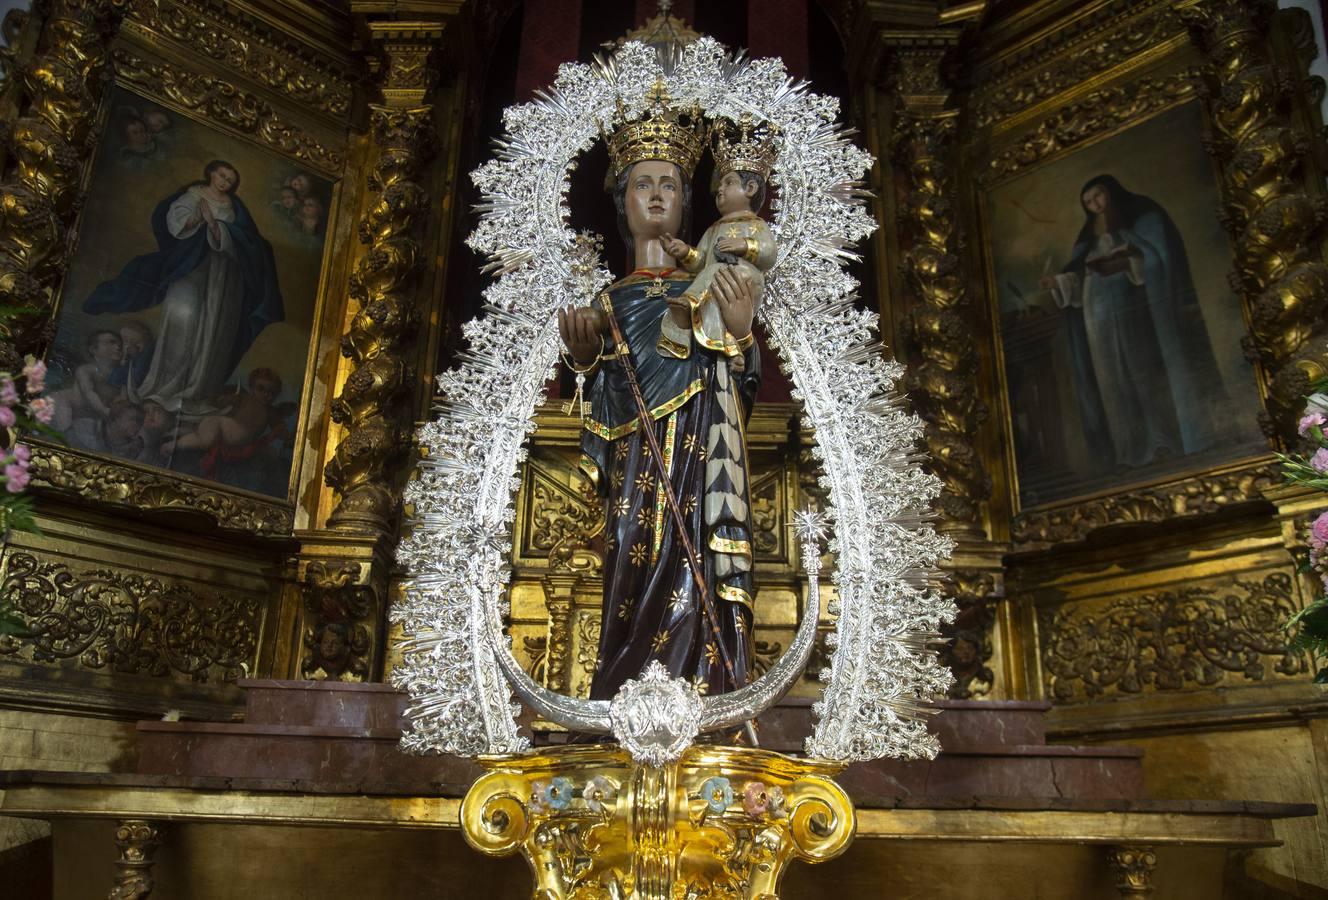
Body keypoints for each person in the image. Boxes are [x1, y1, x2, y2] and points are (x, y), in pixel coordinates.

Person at [558, 85, 762, 703]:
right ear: (622, 201)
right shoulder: (610, 299)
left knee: (697, 553)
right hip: (635, 465)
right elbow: (601, 397)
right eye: (642, 182)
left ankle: (709, 688)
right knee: (633, 565)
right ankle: (626, 693)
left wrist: (741, 330)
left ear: (686, 203)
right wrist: (589, 358)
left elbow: (741, 383)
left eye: (669, 184)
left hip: (701, 456)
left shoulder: (709, 285)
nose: (655, 194)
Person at [1041, 175, 1227, 468]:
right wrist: (1060, 281)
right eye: (1088, 203)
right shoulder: (1088, 235)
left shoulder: (1140, 214)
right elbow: (1078, 275)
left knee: (1145, 372)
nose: (1095, 206)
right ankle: (1133, 449)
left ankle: (1164, 441)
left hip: (1139, 315)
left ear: (1111, 192)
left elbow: (1158, 256)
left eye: (1098, 197)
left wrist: (1132, 260)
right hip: (1099, 317)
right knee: (1114, 379)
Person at [83, 160, 284, 416]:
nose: (224, 183)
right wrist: (198, 220)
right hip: (189, 268)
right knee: (183, 324)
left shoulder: (234, 207)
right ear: (211, 173)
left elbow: (250, 243)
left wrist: (216, 226)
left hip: (222, 276)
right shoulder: (193, 195)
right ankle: (163, 388)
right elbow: (174, 225)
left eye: (230, 181)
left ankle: (199, 391)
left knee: (214, 332)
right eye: (222, 176)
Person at [661, 114, 777, 358]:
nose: (719, 189)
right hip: (714, 285)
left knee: (713, 275)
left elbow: (768, 253)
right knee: (711, 296)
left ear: (751, 189)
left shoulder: (755, 224)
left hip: (744, 282)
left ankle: (689, 303)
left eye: (728, 183)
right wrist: (685, 252)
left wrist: (744, 245)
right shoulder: (714, 228)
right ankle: (725, 345)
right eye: (721, 184)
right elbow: (700, 259)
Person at [51, 330, 124, 430]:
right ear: (93, 350)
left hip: (88, 416)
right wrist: (103, 410)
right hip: (64, 404)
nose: (118, 347)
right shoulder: (86, 370)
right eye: (111, 342)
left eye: (120, 344)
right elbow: (89, 393)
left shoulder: (121, 375)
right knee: (64, 428)